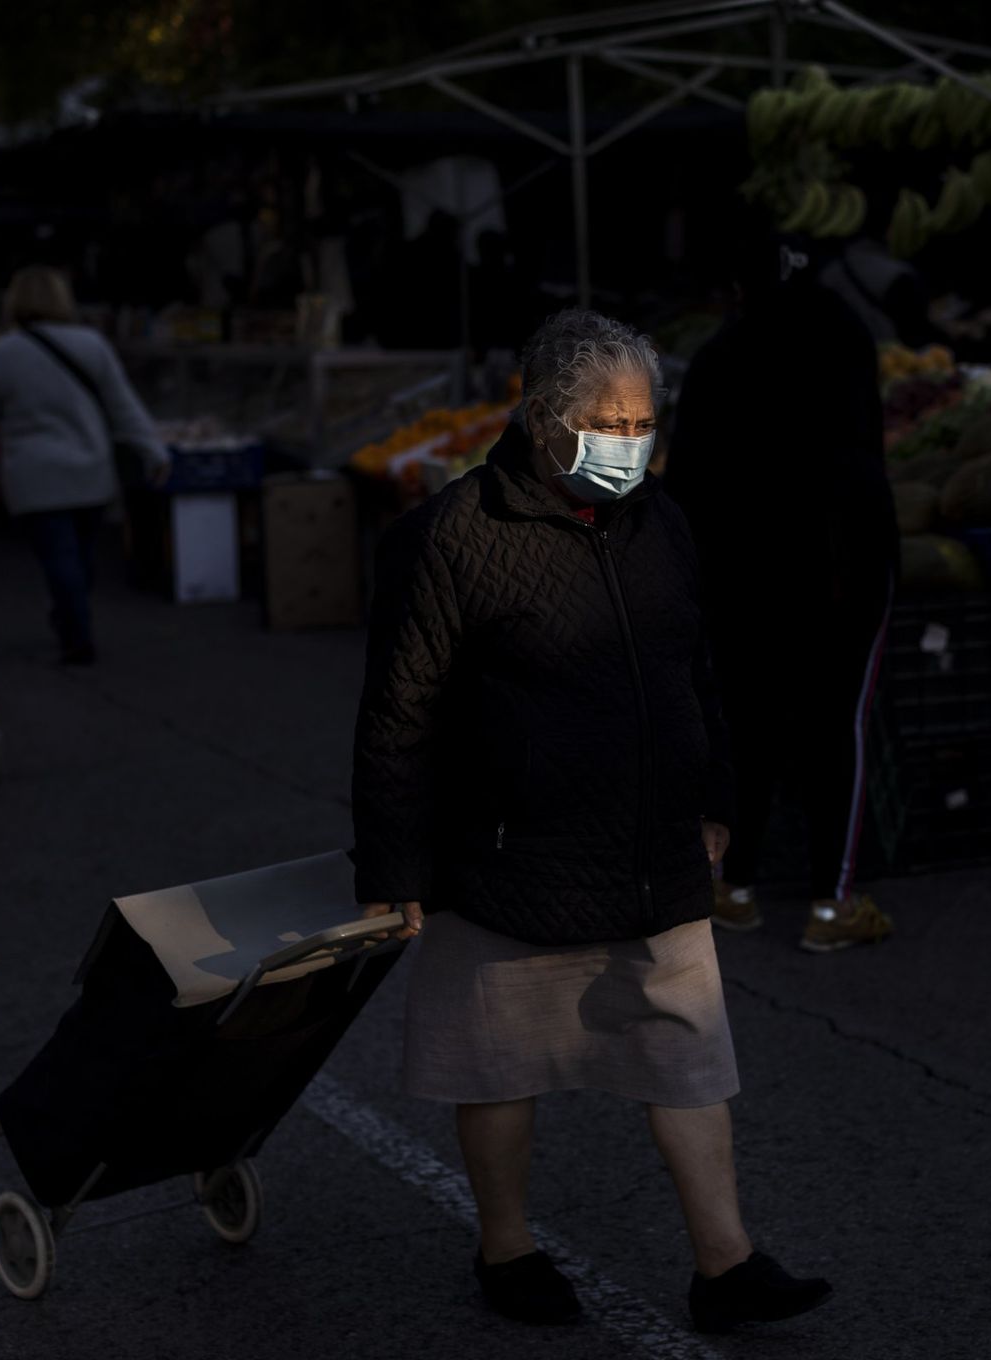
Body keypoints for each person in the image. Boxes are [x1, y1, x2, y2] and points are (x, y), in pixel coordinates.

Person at [352, 309, 833, 1335]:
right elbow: (400, 712)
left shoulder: (663, 521)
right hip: (505, 856)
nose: (628, 441)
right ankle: (507, 1247)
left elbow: (698, 671)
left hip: (652, 846)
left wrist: (717, 802)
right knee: (499, 1060)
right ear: (539, 420)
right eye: (606, 421)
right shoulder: (448, 538)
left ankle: (726, 1262)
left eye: (643, 420)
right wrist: (392, 866)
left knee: (688, 1053)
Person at [664, 237, 900, 953]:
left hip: (742, 575)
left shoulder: (717, 357)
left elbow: (686, 488)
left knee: (748, 723)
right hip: (842, 567)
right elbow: (868, 452)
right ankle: (833, 905)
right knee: (838, 727)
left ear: (739, 288)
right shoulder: (847, 334)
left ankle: (734, 887)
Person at [0, 267, 167, 665]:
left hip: (33, 473)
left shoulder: (3, 351)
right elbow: (122, 405)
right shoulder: (91, 344)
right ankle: (73, 617)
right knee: (83, 556)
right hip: (89, 467)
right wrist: (153, 450)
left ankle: (75, 629)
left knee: (58, 556)